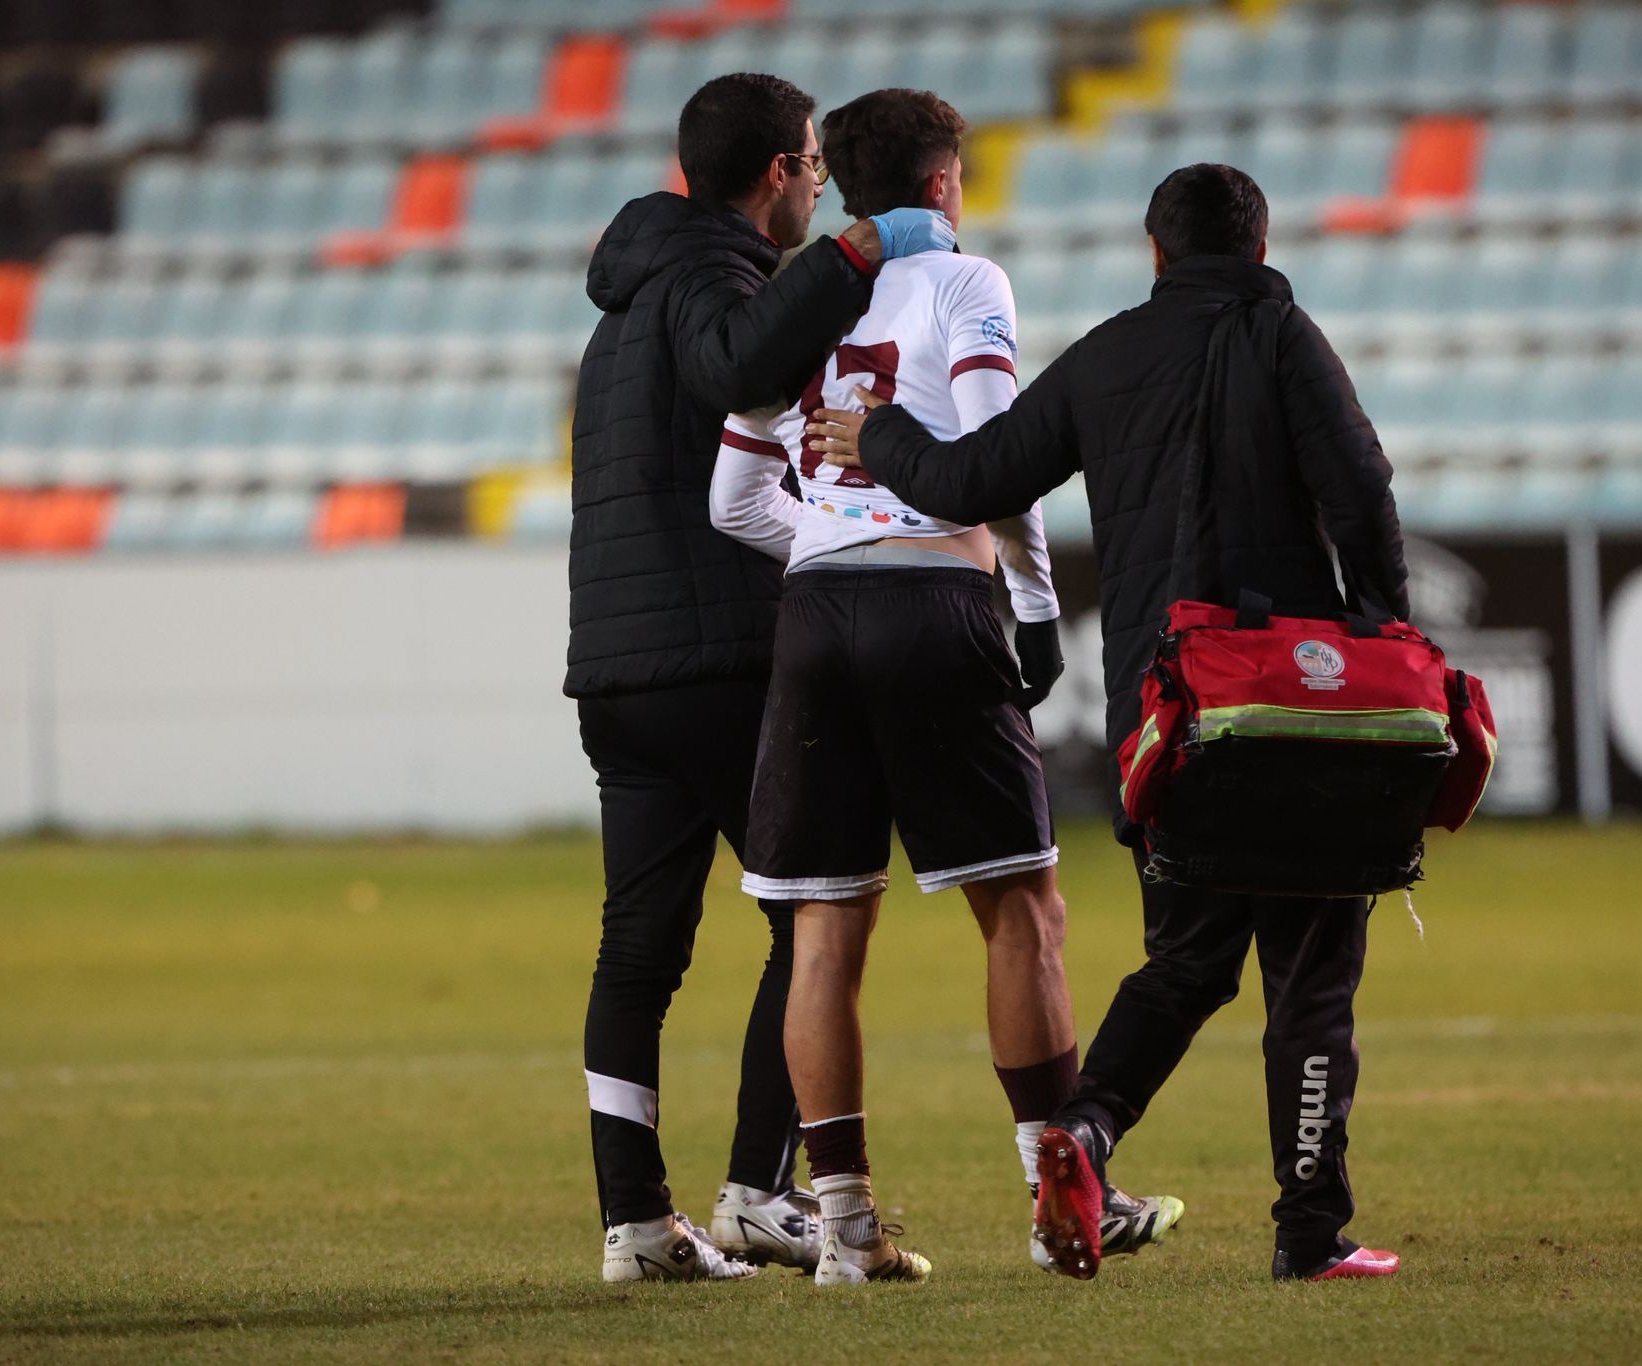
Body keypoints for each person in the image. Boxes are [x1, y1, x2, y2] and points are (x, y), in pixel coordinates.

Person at [808, 163, 1411, 1282]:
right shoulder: (1285, 339)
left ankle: (1079, 1136)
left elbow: (979, 476)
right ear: (1260, 248)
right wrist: (1382, 634)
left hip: (1167, 712)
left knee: (1183, 961)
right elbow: (1361, 489)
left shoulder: (1107, 354)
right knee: (1310, 973)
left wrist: (879, 436)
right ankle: (1307, 1231)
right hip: (1290, 702)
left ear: (1155, 254)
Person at [708, 88, 1180, 1287]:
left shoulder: (798, 301)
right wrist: (1033, 606)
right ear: (938, 185)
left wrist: (833, 541)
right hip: (935, 604)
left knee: (823, 930)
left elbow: (731, 500)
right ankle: (1057, 1196)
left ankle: (844, 1228)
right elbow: (994, 459)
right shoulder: (966, 282)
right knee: (1022, 911)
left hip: (814, 616)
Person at [569, 71, 955, 1284]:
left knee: (638, 951)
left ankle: (637, 1222)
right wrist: (857, 254)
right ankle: (757, 1189)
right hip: (717, 657)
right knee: (818, 911)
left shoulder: (630, 292)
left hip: (618, 668)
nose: (824, 190)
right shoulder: (707, 274)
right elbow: (737, 362)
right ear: (780, 172)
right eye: (814, 169)